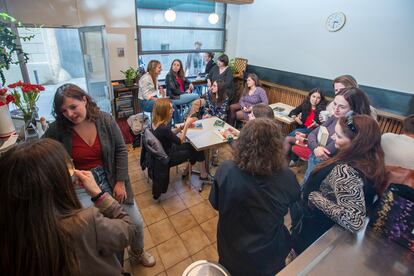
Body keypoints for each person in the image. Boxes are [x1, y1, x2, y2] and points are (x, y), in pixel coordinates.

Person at [44, 84, 155, 267]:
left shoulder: (105, 119)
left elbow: (120, 149)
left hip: (111, 178)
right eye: (64, 111)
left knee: (135, 223)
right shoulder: (57, 129)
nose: (69, 114)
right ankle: (112, 265)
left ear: (84, 100)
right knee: (96, 233)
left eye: (73, 107)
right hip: (81, 187)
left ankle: (137, 252)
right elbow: (44, 154)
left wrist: (120, 182)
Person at [0, 139, 133, 275]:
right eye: (67, 165)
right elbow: (127, 230)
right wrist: (99, 195)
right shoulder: (84, 223)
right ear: (57, 181)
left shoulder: (11, 236)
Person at [209, 118, 301, 275]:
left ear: (242, 142)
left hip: (231, 249)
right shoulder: (287, 177)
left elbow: (216, 203)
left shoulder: (226, 170)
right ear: (276, 147)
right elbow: (294, 206)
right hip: (267, 256)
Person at [292, 114, 385, 254]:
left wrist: (314, 196)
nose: (333, 137)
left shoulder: (345, 171)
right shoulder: (368, 161)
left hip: (317, 236)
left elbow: (354, 221)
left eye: (339, 136)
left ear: (357, 143)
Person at [302, 87, 373, 183]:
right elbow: (312, 134)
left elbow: (327, 152)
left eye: (342, 107)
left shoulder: (353, 127)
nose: (335, 110)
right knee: (306, 182)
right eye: (334, 104)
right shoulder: (335, 116)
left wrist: (315, 147)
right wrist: (316, 148)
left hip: (330, 170)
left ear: (354, 110)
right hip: (315, 158)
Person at [151, 98, 208, 180]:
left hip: (164, 150)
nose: (173, 110)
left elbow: (170, 134)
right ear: (164, 111)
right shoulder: (164, 128)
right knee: (197, 149)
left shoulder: (155, 123)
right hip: (168, 157)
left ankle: (187, 170)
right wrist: (187, 125)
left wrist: (182, 127)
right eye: (171, 108)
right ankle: (202, 173)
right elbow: (180, 141)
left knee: (193, 147)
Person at [283, 88, 327, 165]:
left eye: (318, 98)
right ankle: (292, 160)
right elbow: (293, 112)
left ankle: (288, 159)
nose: (315, 99)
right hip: (303, 128)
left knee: (289, 137)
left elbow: (325, 126)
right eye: (313, 96)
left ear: (321, 99)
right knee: (293, 136)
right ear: (310, 96)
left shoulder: (323, 110)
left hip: (313, 132)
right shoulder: (305, 104)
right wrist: (295, 117)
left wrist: (317, 125)